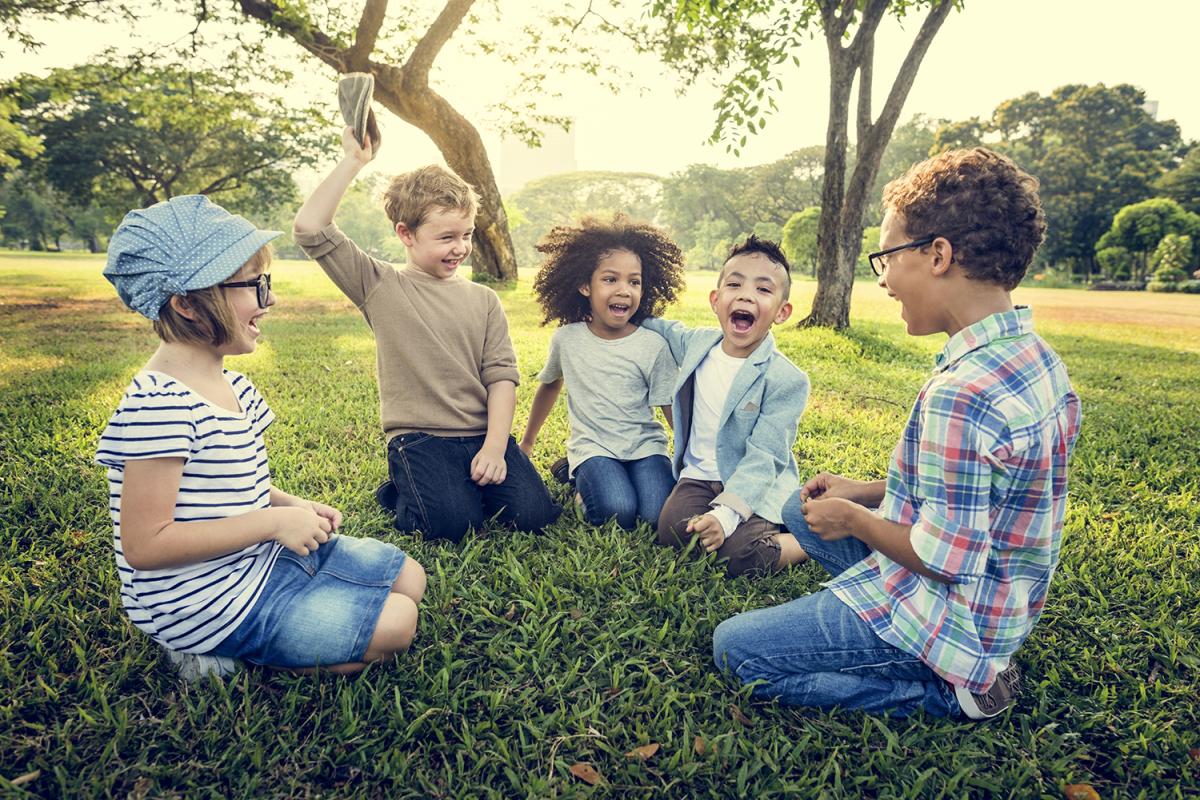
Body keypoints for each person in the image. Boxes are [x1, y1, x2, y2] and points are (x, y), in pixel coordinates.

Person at [712, 147, 1082, 719]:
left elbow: (949, 560)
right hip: (1001, 604)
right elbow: (980, 489)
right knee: (796, 507)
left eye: (885, 257)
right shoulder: (1032, 357)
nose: (882, 280)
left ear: (937, 255)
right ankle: (880, 615)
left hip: (952, 619)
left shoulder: (964, 392)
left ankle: (946, 693)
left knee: (736, 650)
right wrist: (866, 491)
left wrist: (855, 520)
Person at [97, 195, 425, 679]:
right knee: (398, 624)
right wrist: (271, 526)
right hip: (205, 602)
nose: (269, 300)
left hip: (257, 561)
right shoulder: (160, 405)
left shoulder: (232, 385)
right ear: (187, 303)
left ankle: (284, 627)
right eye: (254, 285)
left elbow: (226, 489)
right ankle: (222, 660)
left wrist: (289, 506)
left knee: (410, 579)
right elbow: (146, 544)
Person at [292, 126, 560, 543]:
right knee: (450, 526)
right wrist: (354, 161)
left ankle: (462, 484)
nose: (460, 247)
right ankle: (403, 487)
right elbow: (310, 228)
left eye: (466, 234)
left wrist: (493, 448)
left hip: (481, 434)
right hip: (420, 440)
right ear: (406, 234)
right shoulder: (379, 285)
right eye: (446, 237)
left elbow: (501, 378)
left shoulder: (484, 299)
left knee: (534, 516)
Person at [641, 235, 810, 579]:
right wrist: (617, 310)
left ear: (782, 312)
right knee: (673, 532)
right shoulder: (697, 343)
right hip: (698, 478)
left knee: (739, 556)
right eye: (735, 285)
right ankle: (723, 525)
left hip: (753, 482)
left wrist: (725, 515)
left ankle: (806, 539)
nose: (746, 295)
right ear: (716, 301)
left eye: (763, 290)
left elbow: (765, 456)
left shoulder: (786, 379)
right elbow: (657, 325)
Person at [519, 214, 683, 530]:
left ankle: (581, 475)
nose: (624, 290)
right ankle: (580, 481)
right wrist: (528, 441)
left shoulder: (652, 345)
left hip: (645, 447)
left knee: (654, 516)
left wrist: (693, 456)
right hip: (594, 447)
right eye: (610, 279)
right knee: (617, 511)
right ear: (584, 285)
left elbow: (669, 404)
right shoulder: (567, 339)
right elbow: (550, 385)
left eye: (634, 281)